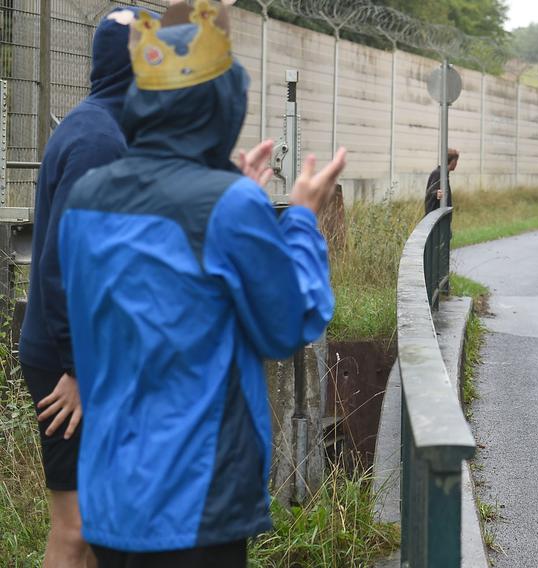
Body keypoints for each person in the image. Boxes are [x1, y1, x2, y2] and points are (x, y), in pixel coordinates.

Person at [56, 1, 346, 562]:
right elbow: (288, 325)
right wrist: (303, 219)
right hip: (197, 497)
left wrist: (224, 189)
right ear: (222, 102)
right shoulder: (229, 207)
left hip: (110, 489)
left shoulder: (88, 197)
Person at [16, 8, 156, 566]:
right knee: (75, 527)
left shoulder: (107, 128)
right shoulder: (99, 141)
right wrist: (76, 371)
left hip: (84, 355)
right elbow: (61, 268)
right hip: (67, 362)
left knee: (100, 523)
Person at [425, 148, 459, 214]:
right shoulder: (438, 173)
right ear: (453, 161)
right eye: (456, 160)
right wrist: (436, 193)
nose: (456, 163)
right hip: (436, 217)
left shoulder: (444, 173)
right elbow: (430, 193)